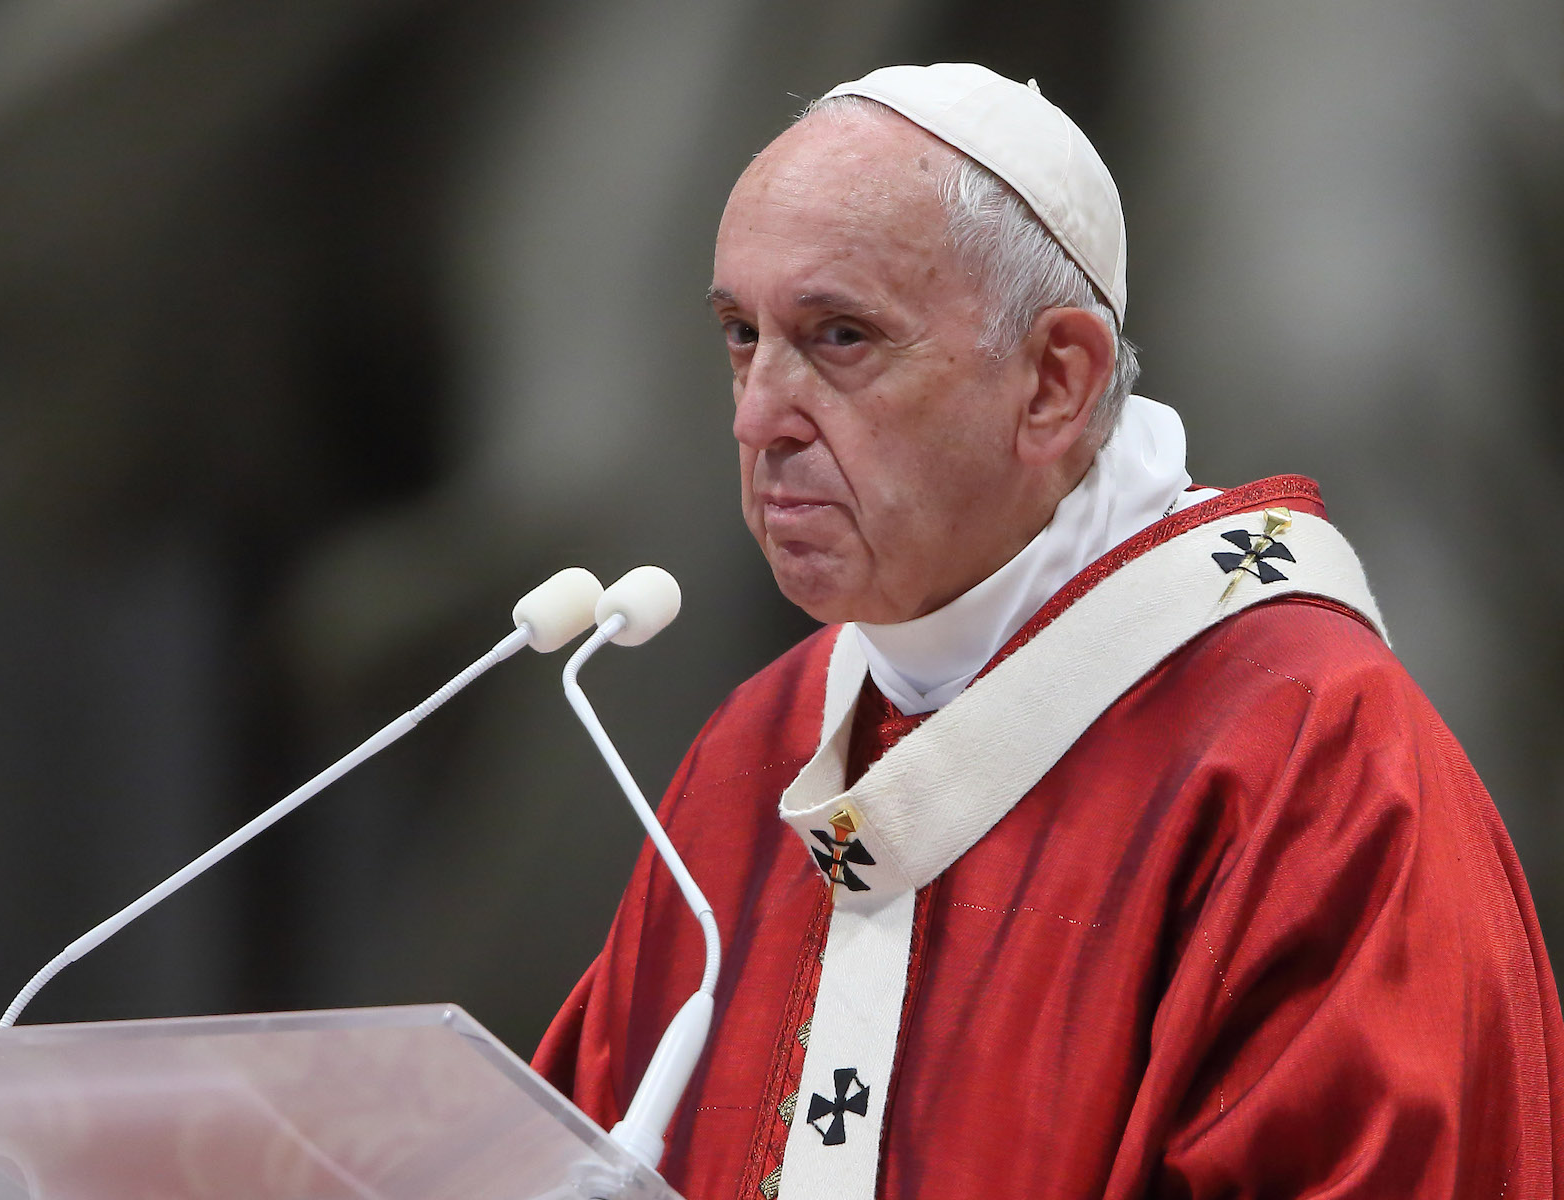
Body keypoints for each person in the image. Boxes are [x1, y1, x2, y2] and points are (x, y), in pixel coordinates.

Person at [534, 63, 1563, 1199]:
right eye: (740, 333)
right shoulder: (759, 747)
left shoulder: (1306, 756)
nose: (757, 414)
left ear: (1053, 383)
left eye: (838, 337)